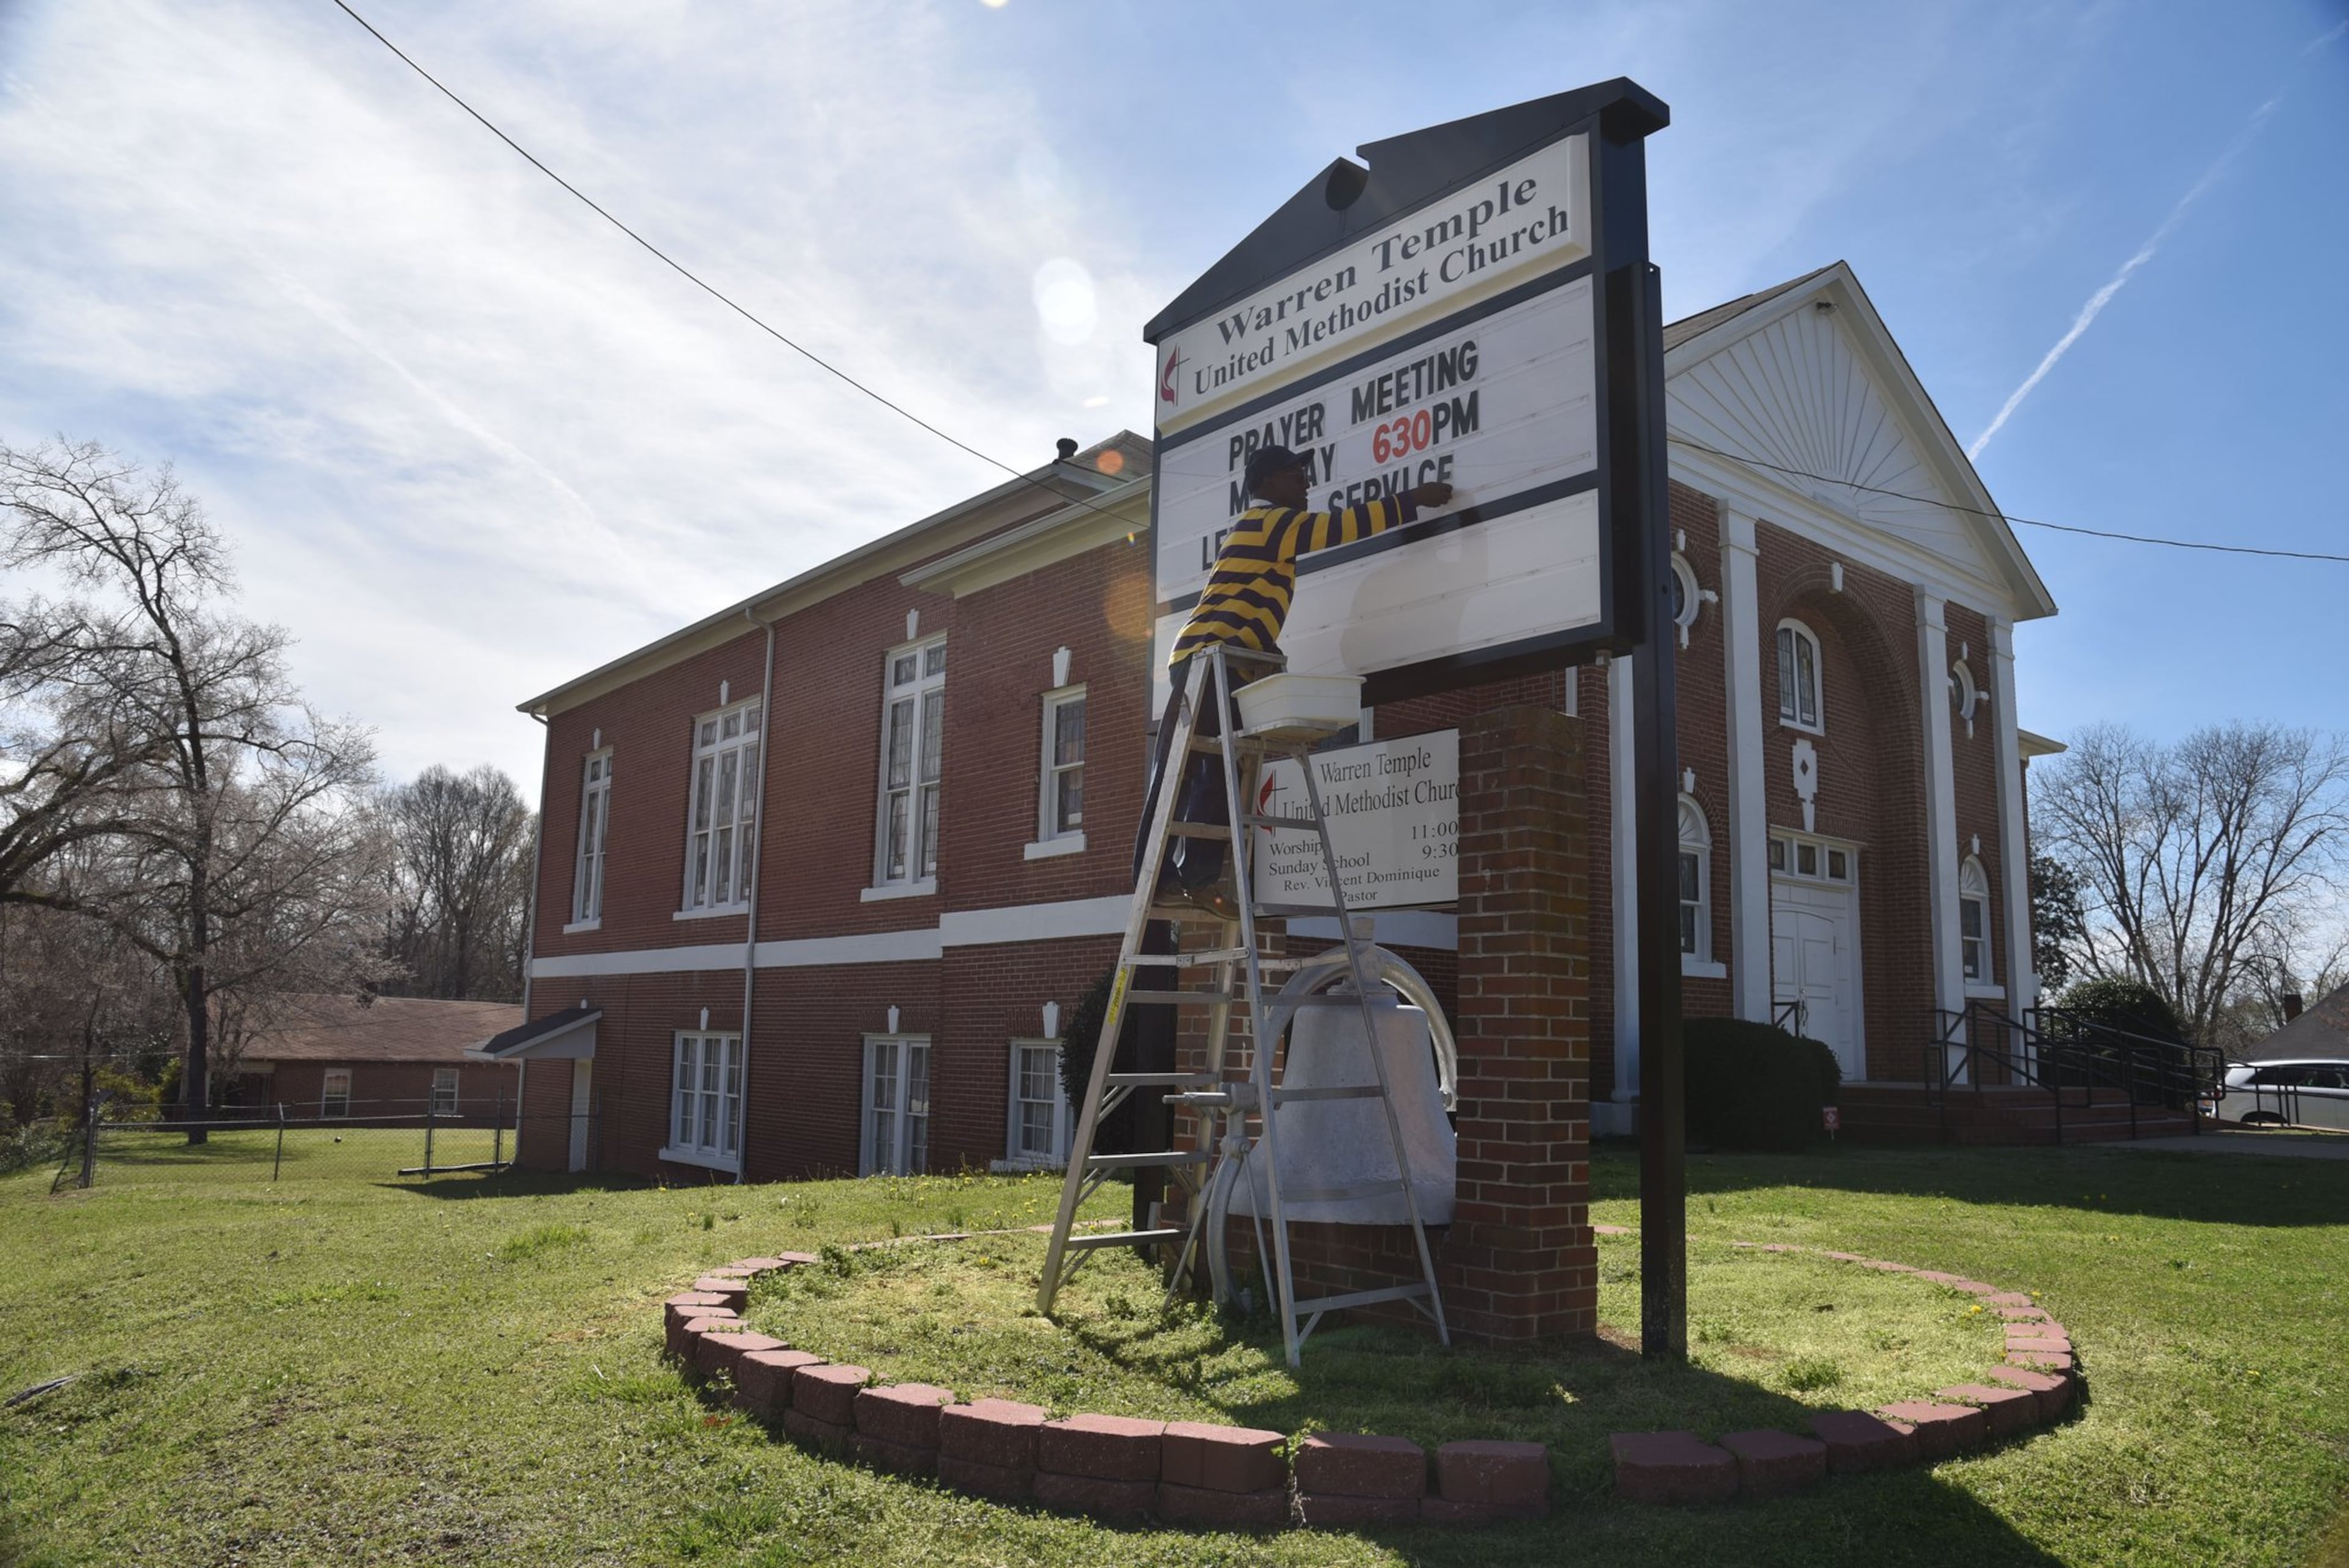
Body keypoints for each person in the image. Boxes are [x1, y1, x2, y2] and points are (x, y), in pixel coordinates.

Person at [1134, 444, 1453, 917]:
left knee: (1218, 770)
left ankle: (1191, 879)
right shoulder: (1268, 523)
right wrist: (1412, 499)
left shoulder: (1262, 532)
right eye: (1293, 474)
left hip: (1223, 659)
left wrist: (1263, 648)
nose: (1305, 483)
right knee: (1184, 774)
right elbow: (1342, 527)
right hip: (1208, 660)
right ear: (1265, 485)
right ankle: (1156, 880)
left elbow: (1247, 601)